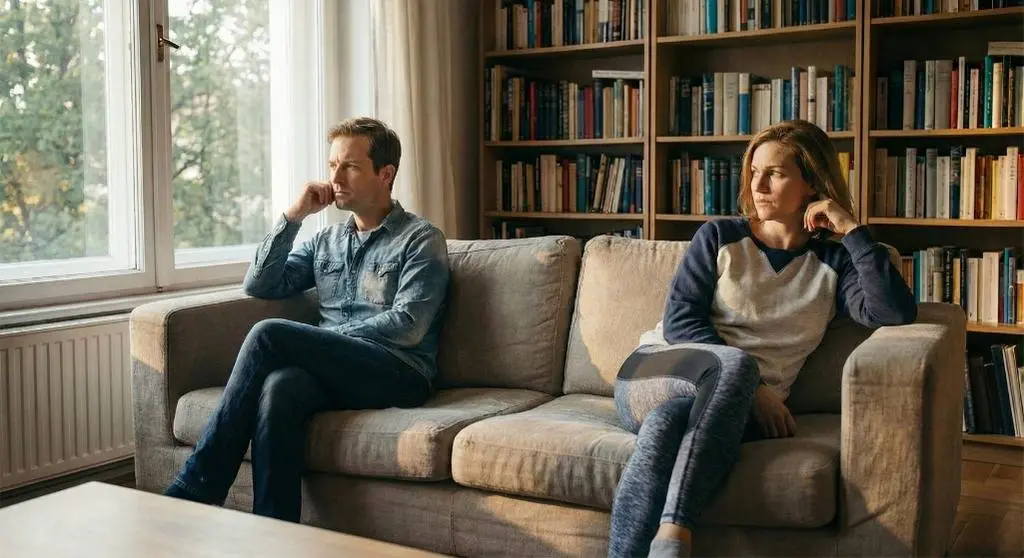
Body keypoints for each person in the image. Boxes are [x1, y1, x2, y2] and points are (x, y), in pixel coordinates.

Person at [608, 120, 918, 558]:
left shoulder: (833, 262)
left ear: (811, 181)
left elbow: (894, 313)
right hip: (656, 371)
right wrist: (755, 387)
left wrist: (851, 229)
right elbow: (680, 322)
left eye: (775, 172)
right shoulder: (719, 236)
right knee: (735, 366)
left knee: (666, 426)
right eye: (754, 172)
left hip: (730, 409)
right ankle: (676, 536)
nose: (758, 184)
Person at [163, 117, 451, 523]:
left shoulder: (421, 239)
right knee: (281, 386)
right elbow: (260, 284)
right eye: (332, 164)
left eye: (349, 166)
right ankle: (276, 532)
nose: (335, 177)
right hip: (336, 368)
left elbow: (408, 324)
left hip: (398, 371)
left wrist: (320, 342)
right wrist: (293, 217)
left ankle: (198, 484)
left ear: (385, 174)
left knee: (270, 335)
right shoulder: (326, 240)